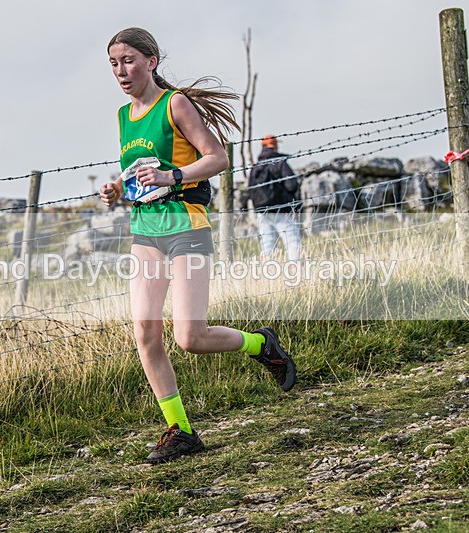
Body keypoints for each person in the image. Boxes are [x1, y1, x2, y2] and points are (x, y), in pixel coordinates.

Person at [100, 27, 297, 465]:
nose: (121, 70)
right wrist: (117, 188)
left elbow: (217, 158)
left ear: (151, 61)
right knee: (145, 332)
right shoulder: (122, 116)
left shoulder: (175, 104)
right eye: (114, 63)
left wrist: (174, 177)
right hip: (145, 230)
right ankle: (181, 430)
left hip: (186, 225)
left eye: (129, 60)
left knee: (190, 336)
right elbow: (138, 172)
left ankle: (260, 344)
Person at [248, 135, 302, 262]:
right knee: (292, 240)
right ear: (275, 146)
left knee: (267, 244)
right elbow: (292, 184)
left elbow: (250, 189)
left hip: (261, 210)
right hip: (280, 208)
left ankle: (268, 273)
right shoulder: (279, 162)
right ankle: (296, 267)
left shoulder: (256, 166)